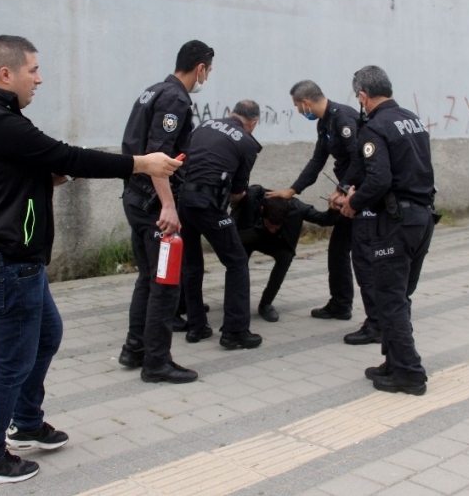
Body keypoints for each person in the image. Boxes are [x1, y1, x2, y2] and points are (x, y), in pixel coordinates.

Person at [0, 35, 183, 488]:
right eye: (33, 70)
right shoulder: (0, 123)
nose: (39, 78)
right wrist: (141, 164)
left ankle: (26, 422)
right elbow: (67, 156)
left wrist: (45, 175)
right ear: (7, 74)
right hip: (6, 264)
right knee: (9, 362)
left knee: (47, 336)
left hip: (19, 263)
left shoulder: (0, 119)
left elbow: (34, 169)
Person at [335, 66, 436, 396]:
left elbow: (379, 179)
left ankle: (409, 372)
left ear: (363, 96)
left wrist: (353, 202)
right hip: (421, 219)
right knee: (399, 295)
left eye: (358, 98)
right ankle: (393, 362)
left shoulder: (374, 128)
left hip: (395, 223)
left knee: (389, 299)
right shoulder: (412, 119)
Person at [117, 40, 213, 384]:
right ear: (200, 68)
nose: (207, 77)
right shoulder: (175, 98)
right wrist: (169, 206)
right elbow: (158, 154)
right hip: (155, 204)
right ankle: (156, 362)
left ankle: (135, 348)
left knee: (147, 277)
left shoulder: (152, 91)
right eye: (209, 71)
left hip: (135, 197)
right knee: (165, 282)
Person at [266, 81, 360, 321]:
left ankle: (364, 314)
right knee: (339, 250)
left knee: (355, 252)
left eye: (297, 106)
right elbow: (317, 161)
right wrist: (293, 190)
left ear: (306, 102)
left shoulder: (343, 118)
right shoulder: (324, 123)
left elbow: (359, 159)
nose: (298, 111)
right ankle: (341, 304)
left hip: (361, 194)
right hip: (349, 192)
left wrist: (342, 189)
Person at [179, 101, 264, 349]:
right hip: (209, 204)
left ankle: (196, 326)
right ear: (253, 123)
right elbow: (238, 193)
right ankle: (235, 332)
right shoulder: (247, 143)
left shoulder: (204, 125)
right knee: (237, 262)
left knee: (192, 263)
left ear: (231, 114)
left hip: (184, 201)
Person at [231, 185, 339, 321]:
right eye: (269, 225)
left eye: (276, 227)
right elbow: (233, 224)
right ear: (263, 210)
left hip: (278, 242)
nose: (272, 229)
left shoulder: (297, 207)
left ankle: (266, 304)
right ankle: (237, 302)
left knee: (285, 257)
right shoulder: (254, 202)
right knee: (239, 263)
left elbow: (324, 219)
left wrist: (333, 209)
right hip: (252, 237)